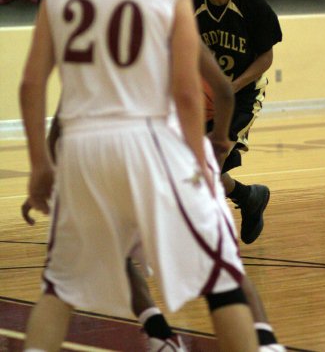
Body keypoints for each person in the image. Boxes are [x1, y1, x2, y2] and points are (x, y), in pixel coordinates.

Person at [19, 0, 261, 352]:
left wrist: (39, 166)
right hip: (146, 139)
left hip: (83, 147)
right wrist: (198, 160)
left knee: (58, 291)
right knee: (221, 278)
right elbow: (189, 94)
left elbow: (31, 85)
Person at [22, 43, 286, 352]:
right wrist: (217, 141)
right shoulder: (168, 3)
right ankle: (265, 343)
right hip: (165, 154)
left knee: (71, 281)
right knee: (224, 272)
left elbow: (55, 105)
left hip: (100, 161)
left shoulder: (75, 10)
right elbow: (220, 92)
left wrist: (46, 169)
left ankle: (159, 335)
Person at [194, 0, 283, 245]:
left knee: (205, 167)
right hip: (203, 98)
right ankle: (248, 197)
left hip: (241, 96)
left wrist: (230, 88)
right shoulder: (191, 6)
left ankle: (207, 239)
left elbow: (266, 59)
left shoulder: (252, 6)